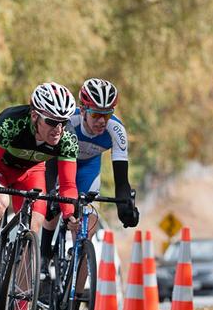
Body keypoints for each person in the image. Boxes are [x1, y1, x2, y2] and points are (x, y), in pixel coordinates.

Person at [0, 82, 79, 310]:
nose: (58, 128)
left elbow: (68, 185)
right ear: (35, 115)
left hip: (31, 173)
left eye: (63, 122)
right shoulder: (11, 122)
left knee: (33, 232)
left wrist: (70, 214)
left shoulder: (67, 138)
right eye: (52, 121)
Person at [40, 78, 139, 275]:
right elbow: (50, 164)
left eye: (107, 114)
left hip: (88, 170)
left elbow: (121, 180)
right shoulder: (68, 122)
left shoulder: (116, 131)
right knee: (52, 208)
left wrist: (125, 207)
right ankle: (44, 257)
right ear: (83, 110)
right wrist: (51, 194)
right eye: (96, 114)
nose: (102, 121)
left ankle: (74, 298)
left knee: (88, 231)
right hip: (61, 165)